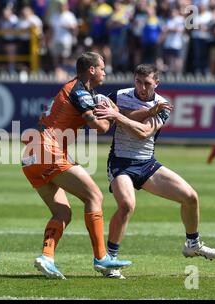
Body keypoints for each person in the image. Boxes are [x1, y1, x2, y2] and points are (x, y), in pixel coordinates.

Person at [21, 52, 161, 280]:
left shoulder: (75, 90)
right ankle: (101, 258)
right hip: (48, 149)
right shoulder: (80, 91)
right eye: (102, 68)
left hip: (30, 154)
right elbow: (101, 127)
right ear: (91, 70)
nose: (106, 72)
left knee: (62, 212)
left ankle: (46, 257)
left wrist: (120, 112)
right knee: (94, 197)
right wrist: (114, 116)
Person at [94, 64, 215, 278]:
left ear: (157, 83)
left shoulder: (161, 105)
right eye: (138, 82)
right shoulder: (118, 95)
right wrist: (118, 114)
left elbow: (144, 132)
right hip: (121, 163)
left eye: (147, 83)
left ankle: (192, 244)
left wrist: (119, 116)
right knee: (126, 205)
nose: (142, 88)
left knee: (190, 197)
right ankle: (111, 261)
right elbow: (104, 118)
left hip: (146, 163)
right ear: (133, 79)